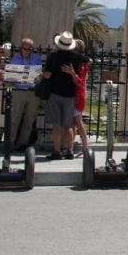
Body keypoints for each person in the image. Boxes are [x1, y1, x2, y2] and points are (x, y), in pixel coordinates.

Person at [41, 31, 90, 160]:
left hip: (55, 93)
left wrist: (42, 75)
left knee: (56, 125)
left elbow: (48, 75)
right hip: (70, 95)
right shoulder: (77, 57)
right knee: (68, 125)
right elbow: (89, 60)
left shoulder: (53, 56)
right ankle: (69, 151)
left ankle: (56, 151)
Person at [8, 38, 43, 151]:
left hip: (33, 91)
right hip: (19, 91)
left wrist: (25, 73)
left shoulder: (36, 58)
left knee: (30, 119)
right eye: (25, 48)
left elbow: (37, 75)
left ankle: (23, 143)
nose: (27, 51)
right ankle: (10, 142)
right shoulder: (16, 58)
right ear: (21, 48)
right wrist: (28, 74)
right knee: (15, 118)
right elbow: (13, 75)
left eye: (30, 49)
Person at [65, 38, 91, 157]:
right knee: (73, 122)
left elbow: (80, 81)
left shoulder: (82, 64)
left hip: (78, 94)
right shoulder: (79, 62)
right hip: (74, 93)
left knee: (78, 122)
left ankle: (85, 147)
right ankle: (71, 147)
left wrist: (72, 73)